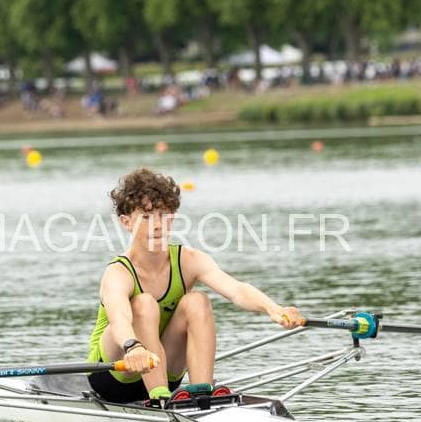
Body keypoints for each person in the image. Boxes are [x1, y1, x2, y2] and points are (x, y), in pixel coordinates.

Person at [86, 168, 305, 404]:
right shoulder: (118, 273)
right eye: (146, 217)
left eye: (163, 215)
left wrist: (274, 308)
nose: (157, 225)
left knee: (197, 301)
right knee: (144, 304)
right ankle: (159, 397)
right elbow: (119, 319)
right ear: (127, 222)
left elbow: (236, 290)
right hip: (115, 376)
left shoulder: (189, 260)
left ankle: (202, 394)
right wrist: (133, 347)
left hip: (165, 368)